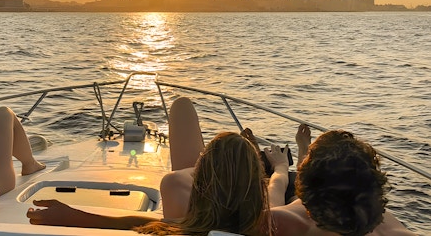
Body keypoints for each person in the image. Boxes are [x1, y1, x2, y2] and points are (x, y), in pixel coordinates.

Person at [27, 97, 290, 235]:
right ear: (256, 183)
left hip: (196, 195)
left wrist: (73, 216)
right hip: (226, 194)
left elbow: (136, 221)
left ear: (203, 176)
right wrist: (279, 166)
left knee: (181, 107)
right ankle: (233, 163)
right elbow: (279, 183)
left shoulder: (187, 223)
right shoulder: (269, 218)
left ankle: (229, 162)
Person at [271, 126, 416, 236]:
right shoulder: (393, 230)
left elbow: (273, 194)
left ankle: (303, 158)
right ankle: (304, 156)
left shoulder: (282, 220)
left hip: (306, 209)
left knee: (294, 196)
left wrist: (280, 167)